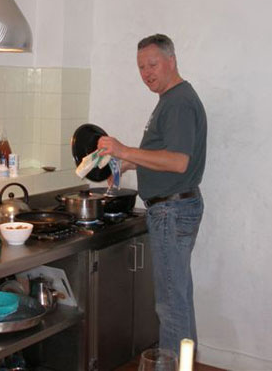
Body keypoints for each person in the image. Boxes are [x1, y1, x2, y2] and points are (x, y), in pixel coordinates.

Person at [98, 33, 207, 354]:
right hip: (174, 208)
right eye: (141, 67)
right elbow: (164, 156)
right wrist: (126, 163)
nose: (146, 73)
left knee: (171, 305)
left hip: (171, 212)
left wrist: (124, 149)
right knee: (178, 300)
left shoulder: (178, 102)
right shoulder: (171, 100)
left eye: (152, 64)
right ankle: (185, 364)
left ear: (171, 61)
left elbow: (178, 161)